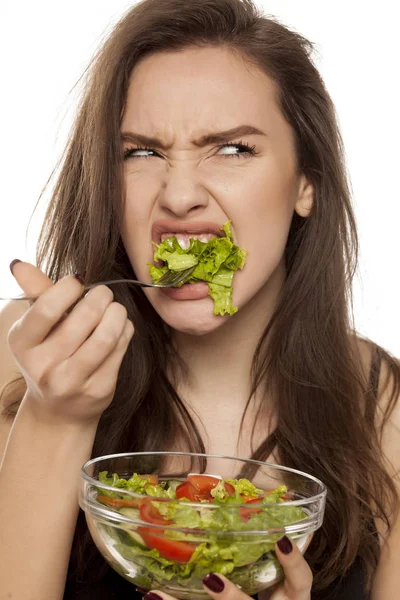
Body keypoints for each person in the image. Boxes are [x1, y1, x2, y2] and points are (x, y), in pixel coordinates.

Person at [0, 0, 399, 598]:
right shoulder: (23, 359)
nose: (179, 194)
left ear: (306, 184)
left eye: (233, 149)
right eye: (141, 152)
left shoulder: (386, 413)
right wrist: (56, 416)